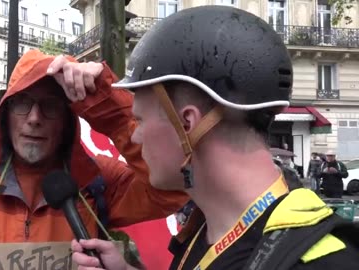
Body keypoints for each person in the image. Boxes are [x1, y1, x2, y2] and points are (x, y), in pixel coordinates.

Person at [70, 6, 359, 270]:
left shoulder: (323, 262)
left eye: (140, 120)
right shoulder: (209, 229)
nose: (135, 135)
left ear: (187, 123)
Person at [0, 51, 188, 269]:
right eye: (23, 104)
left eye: (50, 106)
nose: (34, 119)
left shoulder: (96, 180)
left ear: (67, 121)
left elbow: (173, 189)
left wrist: (108, 107)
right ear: (5, 113)